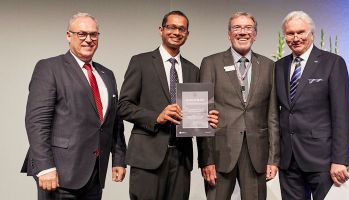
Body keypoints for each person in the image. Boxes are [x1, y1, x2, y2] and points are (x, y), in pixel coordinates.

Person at [21, 12, 127, 200]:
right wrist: (45, 167)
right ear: (68, 36)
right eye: (82, 34)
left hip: (95, 174)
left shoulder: (106, 74)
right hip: (59, 174)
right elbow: (37, 122)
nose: (88, 39)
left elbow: (114, 121)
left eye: (93, 34)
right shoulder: (49, 68)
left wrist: (118, 159)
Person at [118, 11, 218, 200]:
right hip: (147, 158)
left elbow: (196, 117)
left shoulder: (193, 70)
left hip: (181, 159)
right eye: (171, 27)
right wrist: (156, 116)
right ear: (161, 30)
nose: (176, 32)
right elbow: (123, 106)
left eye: (182, 29)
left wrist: (207, 120)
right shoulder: (141, 62)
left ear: (187, 34)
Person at [197, 11, 280, 200]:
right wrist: (206, 159)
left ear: (255, 34)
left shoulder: (269, 66)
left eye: (248, 28)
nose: (243, 32)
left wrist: (273, 159)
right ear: (229, 34)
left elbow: (273, 115)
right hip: (220, 153)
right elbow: (202, 114)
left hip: (256, 155)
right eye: (237, 28)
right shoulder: (211, 63)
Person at [275, 11, 349, 200]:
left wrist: (340, 160)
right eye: (290, 33)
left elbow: (341, 115)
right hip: (288, 160)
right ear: (284, 36)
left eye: (301, 32)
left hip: (322, 161)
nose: (296, 38)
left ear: (312, 34)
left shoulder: (332, 63)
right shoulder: (279, 66)